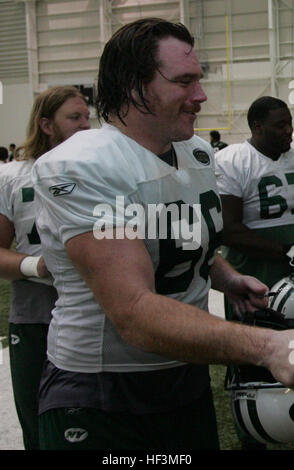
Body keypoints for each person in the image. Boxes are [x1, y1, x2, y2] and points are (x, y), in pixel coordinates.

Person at [32, 19, 294, 451]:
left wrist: (225, 277)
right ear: (135, 87)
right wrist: (267, 346)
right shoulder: (82, 165)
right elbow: (133, 312)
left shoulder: (195, 151)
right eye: (184, 81)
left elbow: (177, 232)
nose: (201, 95)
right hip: (105, 391)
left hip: (183, 375)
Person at [0, 86, 90, 450]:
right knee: (37, 425)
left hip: (93, 316)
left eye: (87, 117)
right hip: (35, 316)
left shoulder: (102, 172)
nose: (86, 126)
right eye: (74, 118)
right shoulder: (11, 177)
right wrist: (40, 266)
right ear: (46, 125)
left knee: (90, 423)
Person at [214, 95, 294, 449]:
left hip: (290, 270)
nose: (289, 131)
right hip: (256, 274)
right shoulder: (233, 160)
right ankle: (253, 434)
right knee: (252, 360)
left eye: (290, 123)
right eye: (281, 125)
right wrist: (284, 249)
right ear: (257, 127)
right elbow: (227, 228)